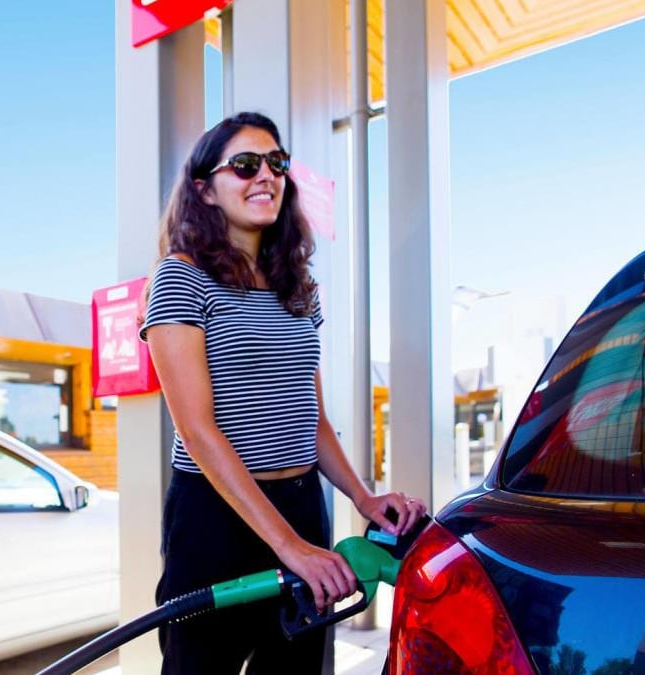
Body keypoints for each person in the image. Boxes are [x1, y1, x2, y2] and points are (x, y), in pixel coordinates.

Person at [139, 111, 428, 675]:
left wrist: (363, 499)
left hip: (301, 503)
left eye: (276, 163)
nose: (265, 175)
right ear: (205, 189)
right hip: (216, 519)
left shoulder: (299, 287)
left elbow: (310, 417)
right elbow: (196, 430)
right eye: (245, 165)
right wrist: (289, 547)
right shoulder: (181, 277)